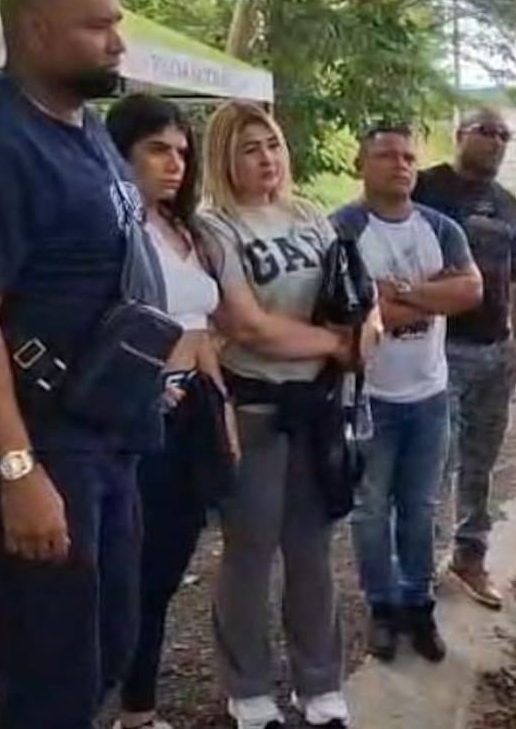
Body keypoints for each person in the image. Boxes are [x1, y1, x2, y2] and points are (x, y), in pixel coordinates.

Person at [0, 0, 159, 728]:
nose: (118, 41)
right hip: (45, 443)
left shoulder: (86, 128)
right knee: (50, 672)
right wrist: (18, 469)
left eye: (117, 22)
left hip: (109, 435)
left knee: (109, 646)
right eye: (97, 27)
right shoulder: (1, 142)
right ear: (33, 29)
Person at [197, 101, 361, 729]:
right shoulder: (216, 228)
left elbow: (351, 295)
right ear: (224, 159)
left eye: (271, 144)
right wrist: (336, 345)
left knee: (313, 549)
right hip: (254, 406)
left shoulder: (310, 216)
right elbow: (246, 325)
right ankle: (249, 688)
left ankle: (319, 684)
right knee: (249, 551)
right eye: (249, 148)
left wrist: (358, 331)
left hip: (317, 406)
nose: (266, 158)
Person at [106, 94, 237, 729]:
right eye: (158, 150)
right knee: (124, 571)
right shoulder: (114, 230)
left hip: (196, 407)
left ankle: (138, 708)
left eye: (182, 151)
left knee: (164, 569)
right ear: (122, 152)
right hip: (137, 410)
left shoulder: (186, 230)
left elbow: (205, 328)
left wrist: (224, 411)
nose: (174, 163)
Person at [334, 123, 482, 665]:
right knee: (370, 510)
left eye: (408, 157)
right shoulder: (343, 229)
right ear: (360, 164)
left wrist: (399, 295)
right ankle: (382, 607)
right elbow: (346, 312)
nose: (400, 165)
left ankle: (418, 603)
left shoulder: (439, 228)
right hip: (369, 395)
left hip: (429, 394)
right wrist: (426, 299)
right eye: (386, 155)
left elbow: (470, 291)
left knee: (420, 507)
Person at [414, 107, 516, 609]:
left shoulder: (507, 204)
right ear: (459, 134)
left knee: (481, 462)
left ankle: (470, 556)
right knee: (434, 464)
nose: (496, 142)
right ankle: (417, 573)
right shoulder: (427, 189)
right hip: (440, 350)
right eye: (486, 132)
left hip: (495, 351)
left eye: (504, 135)